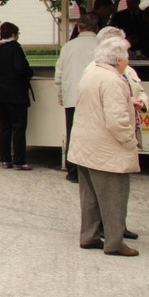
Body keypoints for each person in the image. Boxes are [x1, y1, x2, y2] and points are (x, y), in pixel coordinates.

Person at [67, 38, 140, 257]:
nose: (128, 60)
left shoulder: (91, 73)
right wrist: (130, 141)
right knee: (114, 198)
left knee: (89, 197)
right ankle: (115, 242)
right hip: (106, 149)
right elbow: (117, 120)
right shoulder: (113, 80)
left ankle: (89, 236)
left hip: (85, 145)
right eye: (126, 56)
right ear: (117, 59)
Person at [55, 13, 100, 183]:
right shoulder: (101, 45)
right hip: (96, 96)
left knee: (72, 133)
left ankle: (73, 171)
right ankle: (93, 171)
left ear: (78, 28)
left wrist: (60, 94)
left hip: (72, 95)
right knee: (95, 133)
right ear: (97, 28)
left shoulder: (68, 46)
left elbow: (59, 74)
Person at [0, 22, 34, 170]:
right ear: (14, 34)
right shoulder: (16, 48)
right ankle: (19, 160)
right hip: (15, 92)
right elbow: (21, 68)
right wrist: (29, 73)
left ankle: (5, 159)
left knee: (4, 126)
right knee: (18, 126)